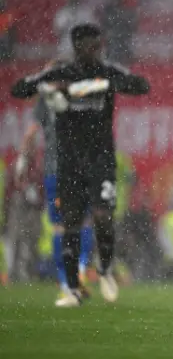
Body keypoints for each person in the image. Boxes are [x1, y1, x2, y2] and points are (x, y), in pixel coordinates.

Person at [10, 23, 150, 307]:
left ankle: (106, 269)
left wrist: (94, 86)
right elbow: (19, 88)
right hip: (69, 164)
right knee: (70, 223)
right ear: (77, 47)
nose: (97, 51)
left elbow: (142, 85)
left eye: (99, 45)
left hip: (101, 161)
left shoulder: (108, 71)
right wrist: (44, 87)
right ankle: (73, 288)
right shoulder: (60, 73)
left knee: (103, 217)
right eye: (91, 46)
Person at [15, 59, 94, 301]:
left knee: (61, 226)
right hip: (81, 171)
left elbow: (30, 135)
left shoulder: (46, 100)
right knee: (85, 222)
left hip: (57, 171)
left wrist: (21, 162)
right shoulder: (82, 96)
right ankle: (79, 270)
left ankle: (66, 282)